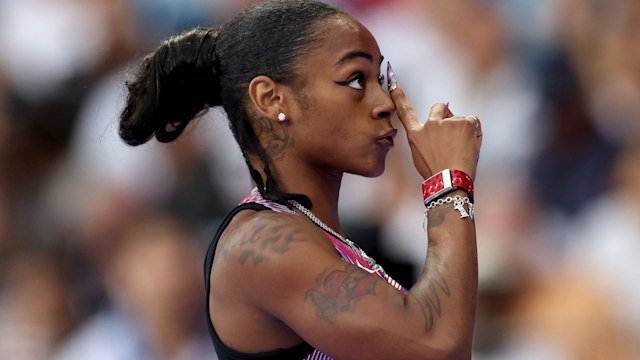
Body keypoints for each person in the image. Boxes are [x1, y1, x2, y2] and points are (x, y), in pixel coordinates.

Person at [119, 0, 482, 359]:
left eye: (381, 80)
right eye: (356, 79)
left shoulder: (311, 233)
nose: (384, 102)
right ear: (272, 97)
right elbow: (438, 346)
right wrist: (448, 181)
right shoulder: (259, 245)